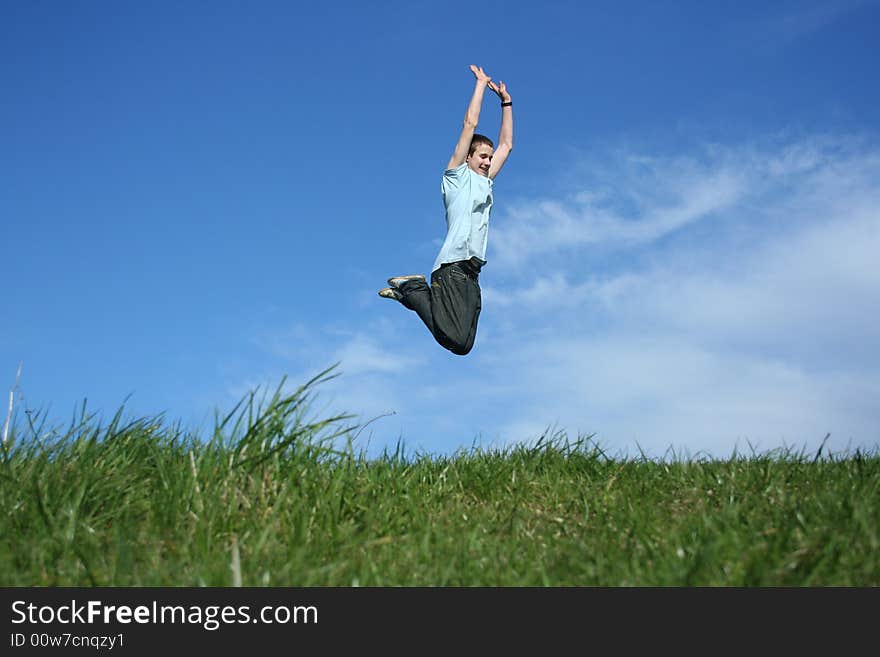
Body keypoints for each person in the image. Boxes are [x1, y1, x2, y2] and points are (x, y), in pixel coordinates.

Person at [378, 64, 513, 356]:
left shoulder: (485, 183)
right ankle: (414, 290)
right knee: (452, 338)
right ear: (468, 158)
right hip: (452, 267)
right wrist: (480, 84)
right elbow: (469, 124)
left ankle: (411, 296)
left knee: (463, 344)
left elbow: (507, 145)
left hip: (472, 274)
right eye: (482, 156)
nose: (488, 162)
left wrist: (506, 102)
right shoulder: (456, 178)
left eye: (490, 158)